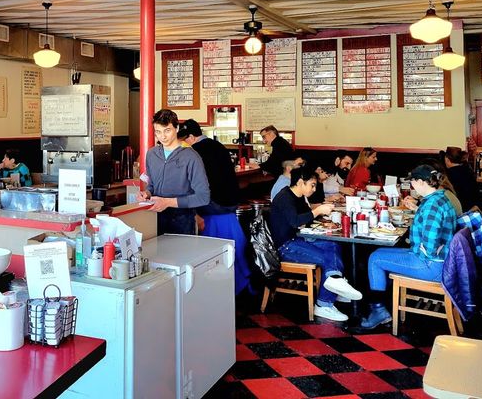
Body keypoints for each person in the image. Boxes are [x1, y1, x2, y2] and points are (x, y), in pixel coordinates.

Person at [360, 165, 457, 329]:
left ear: (420, 182)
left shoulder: (431, 206)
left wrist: (412, 246)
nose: (412, 187)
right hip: (441, 263)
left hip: (430, 266)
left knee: (375, 259)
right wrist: (418, 210)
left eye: (412, 183)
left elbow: (430, 246)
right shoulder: (440, 199)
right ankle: (381, 306)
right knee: (377, 252)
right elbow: (434, 223)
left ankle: (378, 310)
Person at [269, 167, 362, 322]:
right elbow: (295, 221)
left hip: (299, 239)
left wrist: (324, 219)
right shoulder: (284, 197)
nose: (314, 189)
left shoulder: (298, 196)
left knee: (333, 246)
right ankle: (324, 304)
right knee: (326, 258)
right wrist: (318, 210)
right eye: (312, 185)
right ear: (300, 182)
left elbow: (307, 217)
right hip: (285, 246)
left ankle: (335, 285)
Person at [177, 119, 251, 294]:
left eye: (184, 139)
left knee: (186, 212)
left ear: (192, 137)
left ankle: (204, 282)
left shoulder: (195, 152)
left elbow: (195, 185)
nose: (183, 143)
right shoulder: (218, 146)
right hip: (231, 203)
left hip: (214, 206)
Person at [139, 110, 210, 235]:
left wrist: (167, 202)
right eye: (158, 132)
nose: (163, 136)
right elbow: (152, 185)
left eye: (167, 130)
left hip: (182, 222)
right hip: (154, 221)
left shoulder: (191, 157)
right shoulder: (151, 154)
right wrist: (147, 193)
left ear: (176, 129)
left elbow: (203, 197)